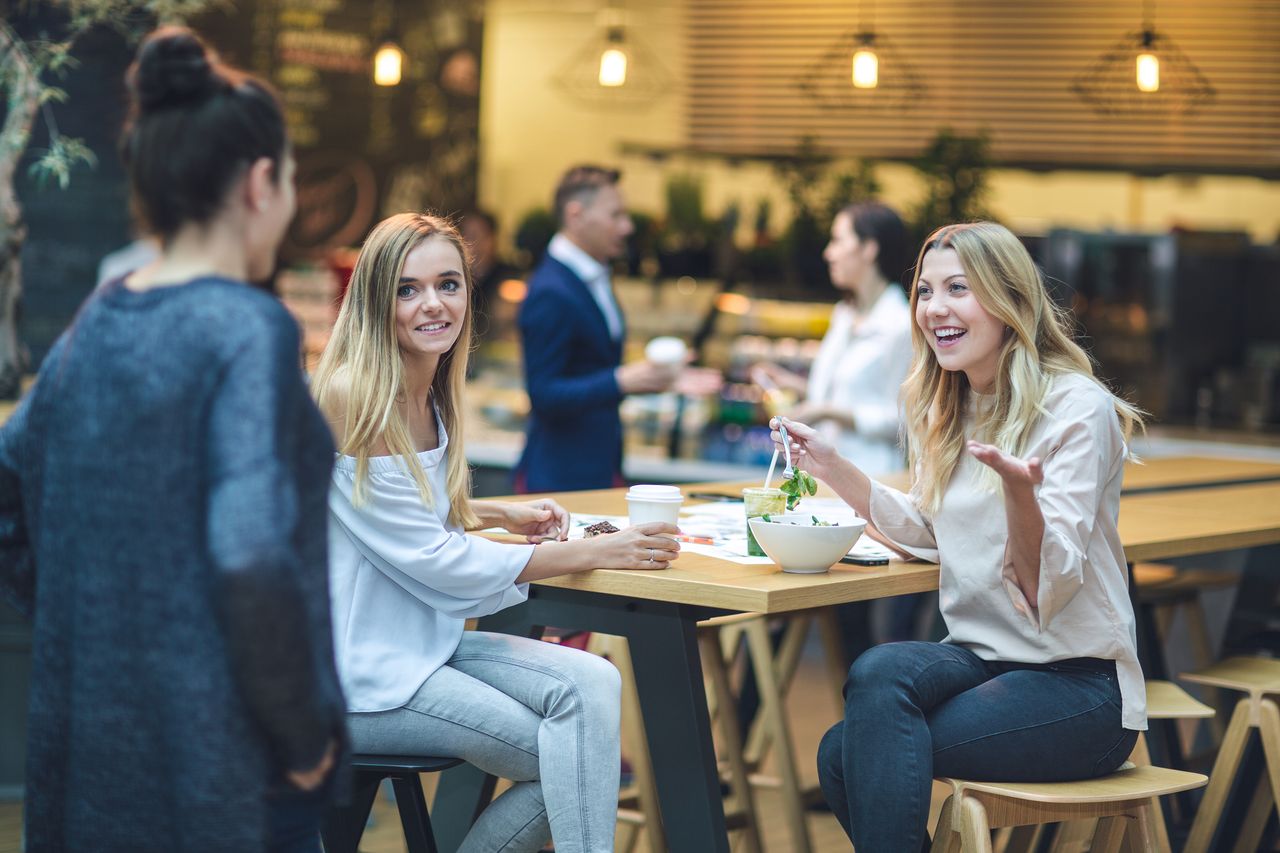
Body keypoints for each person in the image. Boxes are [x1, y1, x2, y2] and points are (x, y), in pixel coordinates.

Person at [0, 27, 345, 852]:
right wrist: (303, 737)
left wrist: (97, 620)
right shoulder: (246, 330)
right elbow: (251, 552)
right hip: (224, 771)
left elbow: (9, 489)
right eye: (292, 176)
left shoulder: (98, 318)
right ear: (261, 182)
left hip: (91, 764)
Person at [310, 212, 681, 853]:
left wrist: (493, 513)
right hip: (360, 672)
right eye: (408, 288)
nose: (433, 304)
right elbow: (434, 560)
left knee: (596, 683)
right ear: (375, 298)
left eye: (448, 284)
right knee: (565, 754)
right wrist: (594, 551)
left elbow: (392, 515)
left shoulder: (428, 390)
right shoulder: (357, 393)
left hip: (419, 645)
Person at [777, 222, 1146, 852]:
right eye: (925, 291)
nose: (934, 309)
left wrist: (1020, 494)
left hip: (1078, 686)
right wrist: (833, 467)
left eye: (958, 289)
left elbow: (1044, 588)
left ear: (1009, 303)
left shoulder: (1076, 407)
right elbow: (929, 530)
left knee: (848, 752)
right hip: (982, 658)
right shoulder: (951, 405)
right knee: (878, 670)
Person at [516, 165, 716, 492]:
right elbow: (543, 393)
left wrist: (652, 379)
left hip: (599, 464)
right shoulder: (551, 290)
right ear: (575, 214)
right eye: (615, 215)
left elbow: (593, 365)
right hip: (560, 477)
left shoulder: (593, 275)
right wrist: (623, 380)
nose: (626, 227)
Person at [752, 202, 913, 476]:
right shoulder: (844, 315)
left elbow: (905, 422)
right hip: (823, 476)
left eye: (838, 240)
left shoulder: (902, 326)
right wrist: (788, 383)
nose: (828, 253)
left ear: (869, 249)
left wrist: (827, 412)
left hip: (871, 478)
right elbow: (842, 392)